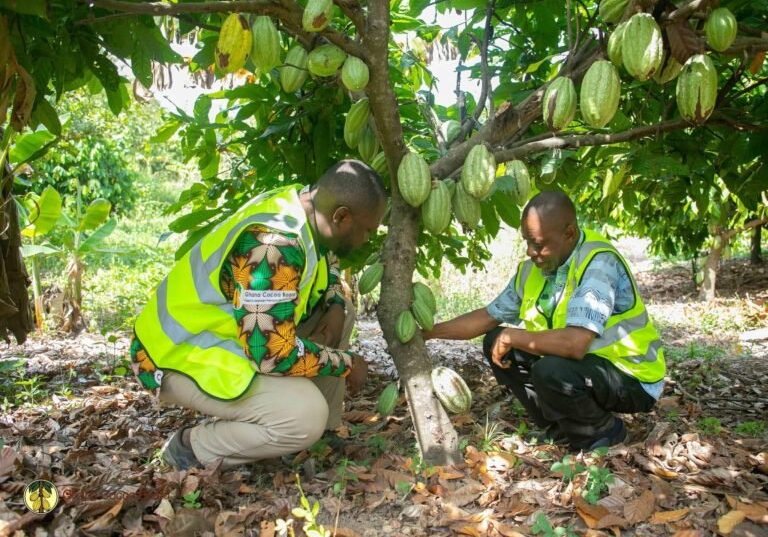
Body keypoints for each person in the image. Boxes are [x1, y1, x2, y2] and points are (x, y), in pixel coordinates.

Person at [128, 159, 388, 470]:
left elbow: (326, 258)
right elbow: (270, 355)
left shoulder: (303, 204)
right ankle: (190, 448)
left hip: (236, 334)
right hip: (174, 353)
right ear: (341, 216)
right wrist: (346, 364)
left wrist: (333, 302)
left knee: (342, 313)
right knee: (305, 416)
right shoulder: (274, 246)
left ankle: (321, 437)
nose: (367, 240)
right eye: (367, 230)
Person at [424, 190, 665, 450]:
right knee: (496, 341)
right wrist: (427, 332)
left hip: (630, 376)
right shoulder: (533, 270)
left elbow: (574, 344)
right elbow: (487, 317)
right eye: (527, 242)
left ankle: (602, 432)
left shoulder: (597, 263)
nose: (530, 252)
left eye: (538, 244)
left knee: (550, 369)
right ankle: (559, 427)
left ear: (569, 233)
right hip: (585, 367)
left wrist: (514, 336)